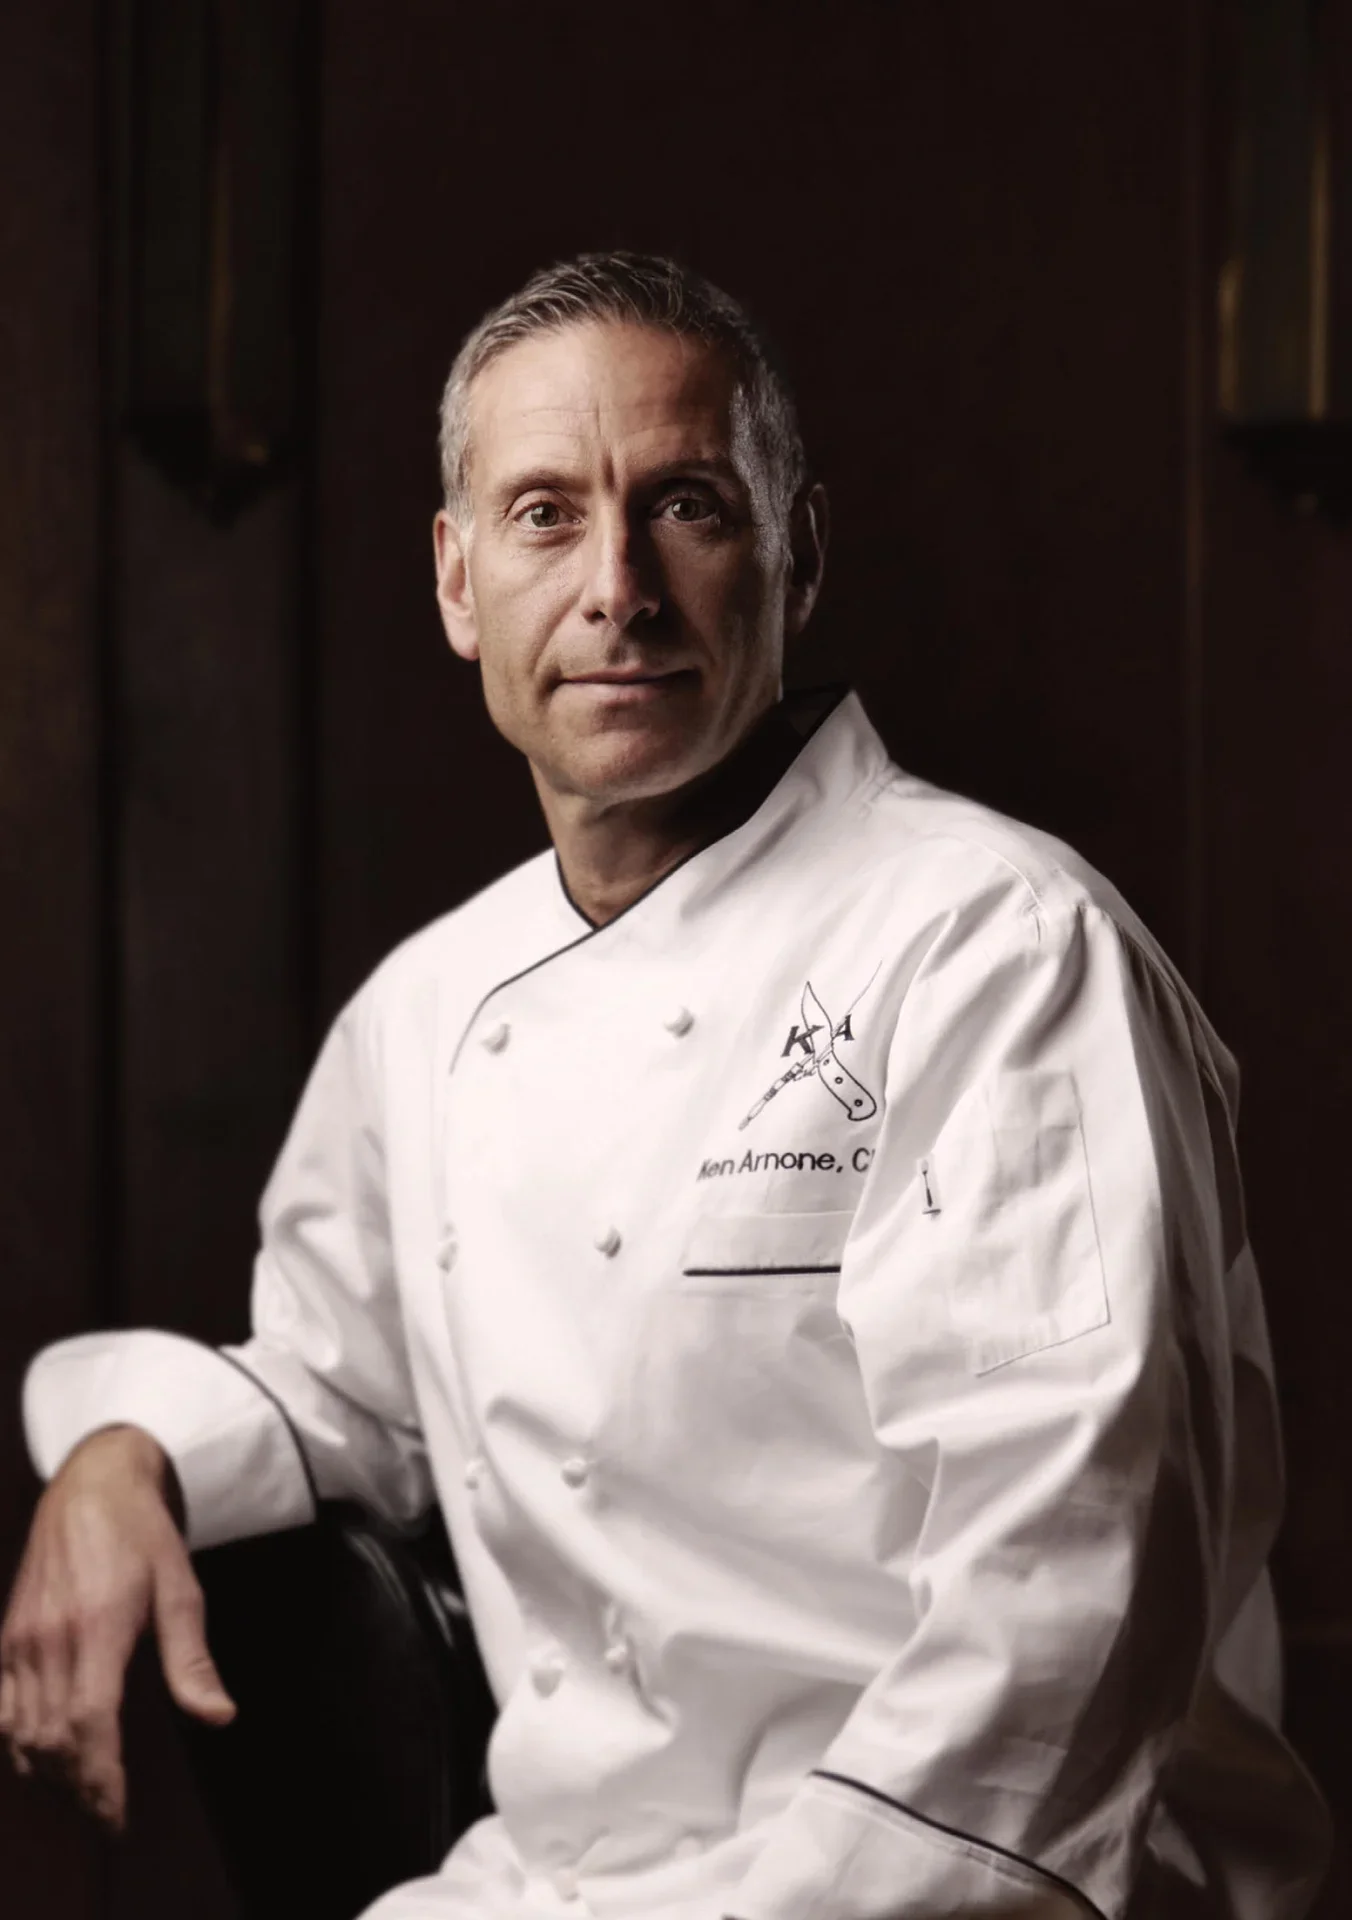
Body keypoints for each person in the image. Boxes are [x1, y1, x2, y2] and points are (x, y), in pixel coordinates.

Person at [0, 251, 1332, 1920]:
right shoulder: (430, 1009)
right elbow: (340, 1381)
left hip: (964, 1883)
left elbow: (1056, 1613)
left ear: (801, 552)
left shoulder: (997, 949)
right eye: (546, 514)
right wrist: (128, 1454)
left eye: (686, 504)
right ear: (457, 580)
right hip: (544, 1885)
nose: (616, 585)